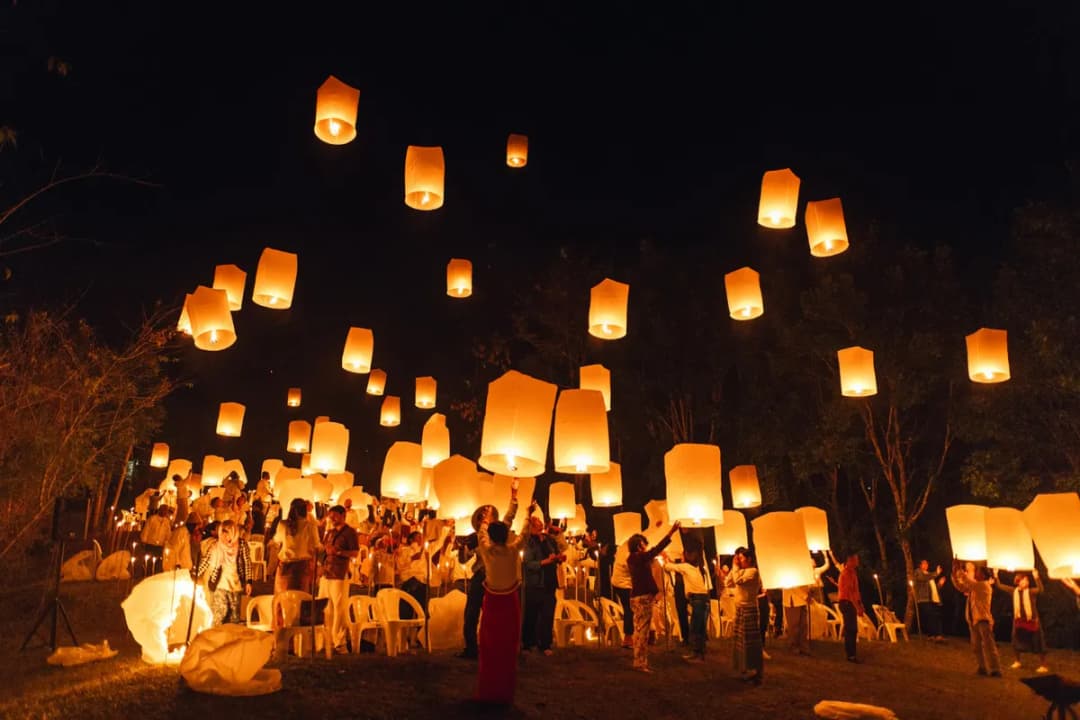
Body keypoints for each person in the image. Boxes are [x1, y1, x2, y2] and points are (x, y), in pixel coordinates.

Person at [474, 481, 526, 705]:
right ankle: (505, 692)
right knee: (507, 647)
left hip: (493, 602)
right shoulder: (513, 549)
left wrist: (485, 520)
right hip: (510, 602)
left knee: (490, 647)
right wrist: (519, 504)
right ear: (506, 535)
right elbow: (522, 531)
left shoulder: (486, 550)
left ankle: (488, 690)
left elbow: (483, 533)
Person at [456, 495, 517, 660]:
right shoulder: (474, 537)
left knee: (496, 615)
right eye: (482, 515)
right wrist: (461, 548)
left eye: (487, 514)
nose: (484, 517)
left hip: (495, 577)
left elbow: (509, 518)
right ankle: (471, 648)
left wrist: (514, 498)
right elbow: (463, 559)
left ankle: (497, 647)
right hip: (480, 577)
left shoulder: (499, 532)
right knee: (471, 613)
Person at [626, 521, 681, 673]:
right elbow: (656, 549)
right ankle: (641, 663)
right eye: (644, 544)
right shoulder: (639, 558)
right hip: (643, 598)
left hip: (636, 597)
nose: (646, 546)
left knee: (639, 630)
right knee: (643, 632)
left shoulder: (632, 559)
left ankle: (638, 661)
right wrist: (671, 532)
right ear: (639, 545)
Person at [521, 508, 567, 656]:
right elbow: (528, 564)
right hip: (535, 584)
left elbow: (561, 549)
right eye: (536, 523)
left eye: (540, 522)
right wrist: (544, 562)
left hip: (549, 582)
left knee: (547, 615)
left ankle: (545, 644)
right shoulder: (528, 542)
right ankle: (528, 643)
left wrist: (558, 558)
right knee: (532, 615)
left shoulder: (548, 539)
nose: (539, 524)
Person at [196, 519, 253, 626]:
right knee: (219, 616)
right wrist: (195, 575)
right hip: (220, 585)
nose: (224, 537)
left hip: (235, 585)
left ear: (233, 533)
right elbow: (206, 561)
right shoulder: (216, 546)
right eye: (222, 533)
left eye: (227, 533)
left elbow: (247, 562)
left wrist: (249, 581)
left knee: (233, 618)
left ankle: (230, 635)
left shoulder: (241, 545)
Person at [273, 498, 320, 623]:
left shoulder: (283, 524)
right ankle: (298, 626)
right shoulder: (310, 526)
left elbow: (277, 540)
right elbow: (316, 545)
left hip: (285, 565)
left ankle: (281, 625)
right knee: (301, 598)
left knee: (281, 598)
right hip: (302, 566)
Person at [951, 560, 1001, 677]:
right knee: (976, 646)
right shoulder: (975, 586)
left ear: (983, 575)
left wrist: (959, 569)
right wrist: (954, 574)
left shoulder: (983, 585)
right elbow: (961, 587)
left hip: (983, 620)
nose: (975, 573)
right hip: (973, 620)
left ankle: (995, 669)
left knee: (988, 645)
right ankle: (982, 667)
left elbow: (966, 581)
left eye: (977, 571)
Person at [994, 569, 1049, 673]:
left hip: (1032, 620)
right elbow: (1000, 586)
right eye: (1024, 580)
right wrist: (996, 575)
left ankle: (1043, 665)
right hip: (1019, 620)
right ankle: (1017, 661)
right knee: (1016, 640)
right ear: (1018, 582)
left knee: (1038, 641)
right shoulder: (1013, 591)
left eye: (1027, 580)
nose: (1027, 582)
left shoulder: (1031, 592)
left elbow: (1041, 590)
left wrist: (1036, 577)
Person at [322, 504, 360, 654]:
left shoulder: (350, 532)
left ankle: (339, 641)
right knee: (326, 608)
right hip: (327, 573)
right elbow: (324, 549)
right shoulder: (330, 532)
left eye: (334, 516)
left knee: (339, 608)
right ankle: (327, 640)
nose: (331, 518)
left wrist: (339, 552)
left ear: (343, 515)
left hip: (339, 573)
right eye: (330, 516)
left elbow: (355, 553)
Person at [666, 547, 711, 662]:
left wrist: (664, 558)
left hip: (697, 599)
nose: (681, 556)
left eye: (683, 555)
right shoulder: (696, 568)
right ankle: (701, 653)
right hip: (704, 598)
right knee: (700, 628)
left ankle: (697, 654)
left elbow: (668, 567)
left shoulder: (685, 566)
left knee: (695, 628)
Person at [726, 546, 764, 684]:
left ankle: (756, 672)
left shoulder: (753, 571)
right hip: (740, 609)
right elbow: (728, 582)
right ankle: (744, 668)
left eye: (741, 558)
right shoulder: (740, 571)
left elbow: (738, 581)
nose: (739, 561)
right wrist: (734, 568)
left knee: (750, 642)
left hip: (749, 609)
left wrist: (735, 567)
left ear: (749, 559)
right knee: (741, 642)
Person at [837, 551, 866, 663]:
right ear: (850, 561)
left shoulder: (853, 572)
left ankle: (852, 653)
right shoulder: (846, 574)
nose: (857, 562)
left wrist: (860, 603)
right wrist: (857, 607)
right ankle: (850, 655)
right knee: (850, 629)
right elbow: (849, 593)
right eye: (856, 559)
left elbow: (856, 591)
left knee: (853, 629)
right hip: (846, 602)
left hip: (851, 602)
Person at [913, 559, 946, 642]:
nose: (926, 565)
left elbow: (933, 589)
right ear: (920, 565)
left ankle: (937, 635)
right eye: (924, 563)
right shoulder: (918, 572)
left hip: (933, 599)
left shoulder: (929, 574)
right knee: (930, 616)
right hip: (924, 599)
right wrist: (936, 573)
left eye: (927, 563)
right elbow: (923, 578)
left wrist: (939, 584)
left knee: (936, 617)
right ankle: (933, 635)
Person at [140, 505, 174, 575]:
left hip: (160, 545)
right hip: (150, 544)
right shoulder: (152, 519)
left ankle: (155, 575)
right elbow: (146, 530)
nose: (164, 512)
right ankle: (147, 574)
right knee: (149, 561)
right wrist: (144, 540)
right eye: (163, 510)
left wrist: (167, 542)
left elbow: (168, 534)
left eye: (166, 511)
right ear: (159, 510)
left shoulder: (166, 521)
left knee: (158, 562)